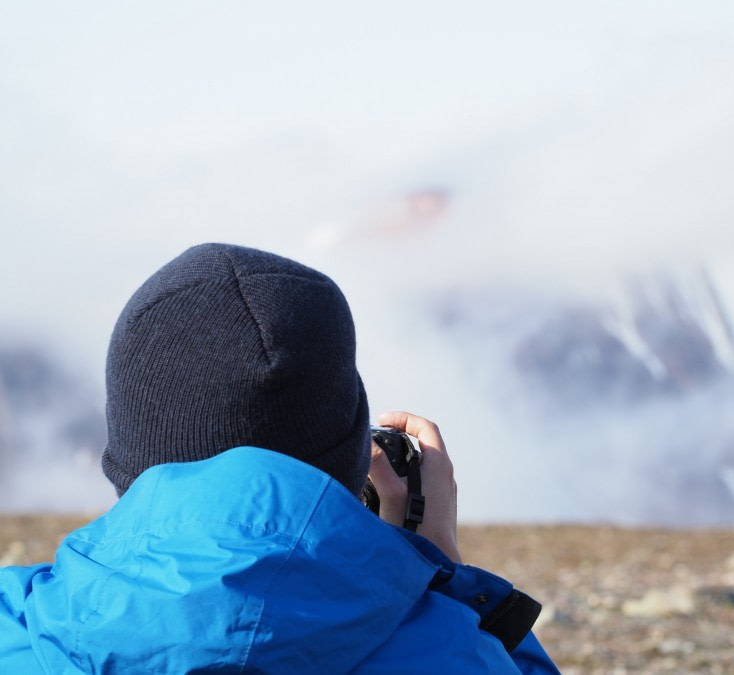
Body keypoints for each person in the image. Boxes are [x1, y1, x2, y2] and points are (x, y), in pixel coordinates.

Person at [0, 243, 558, 673]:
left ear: (128, 459)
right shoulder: (462, 657)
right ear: (357, 459)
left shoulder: (15, 631)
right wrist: (440, 574)